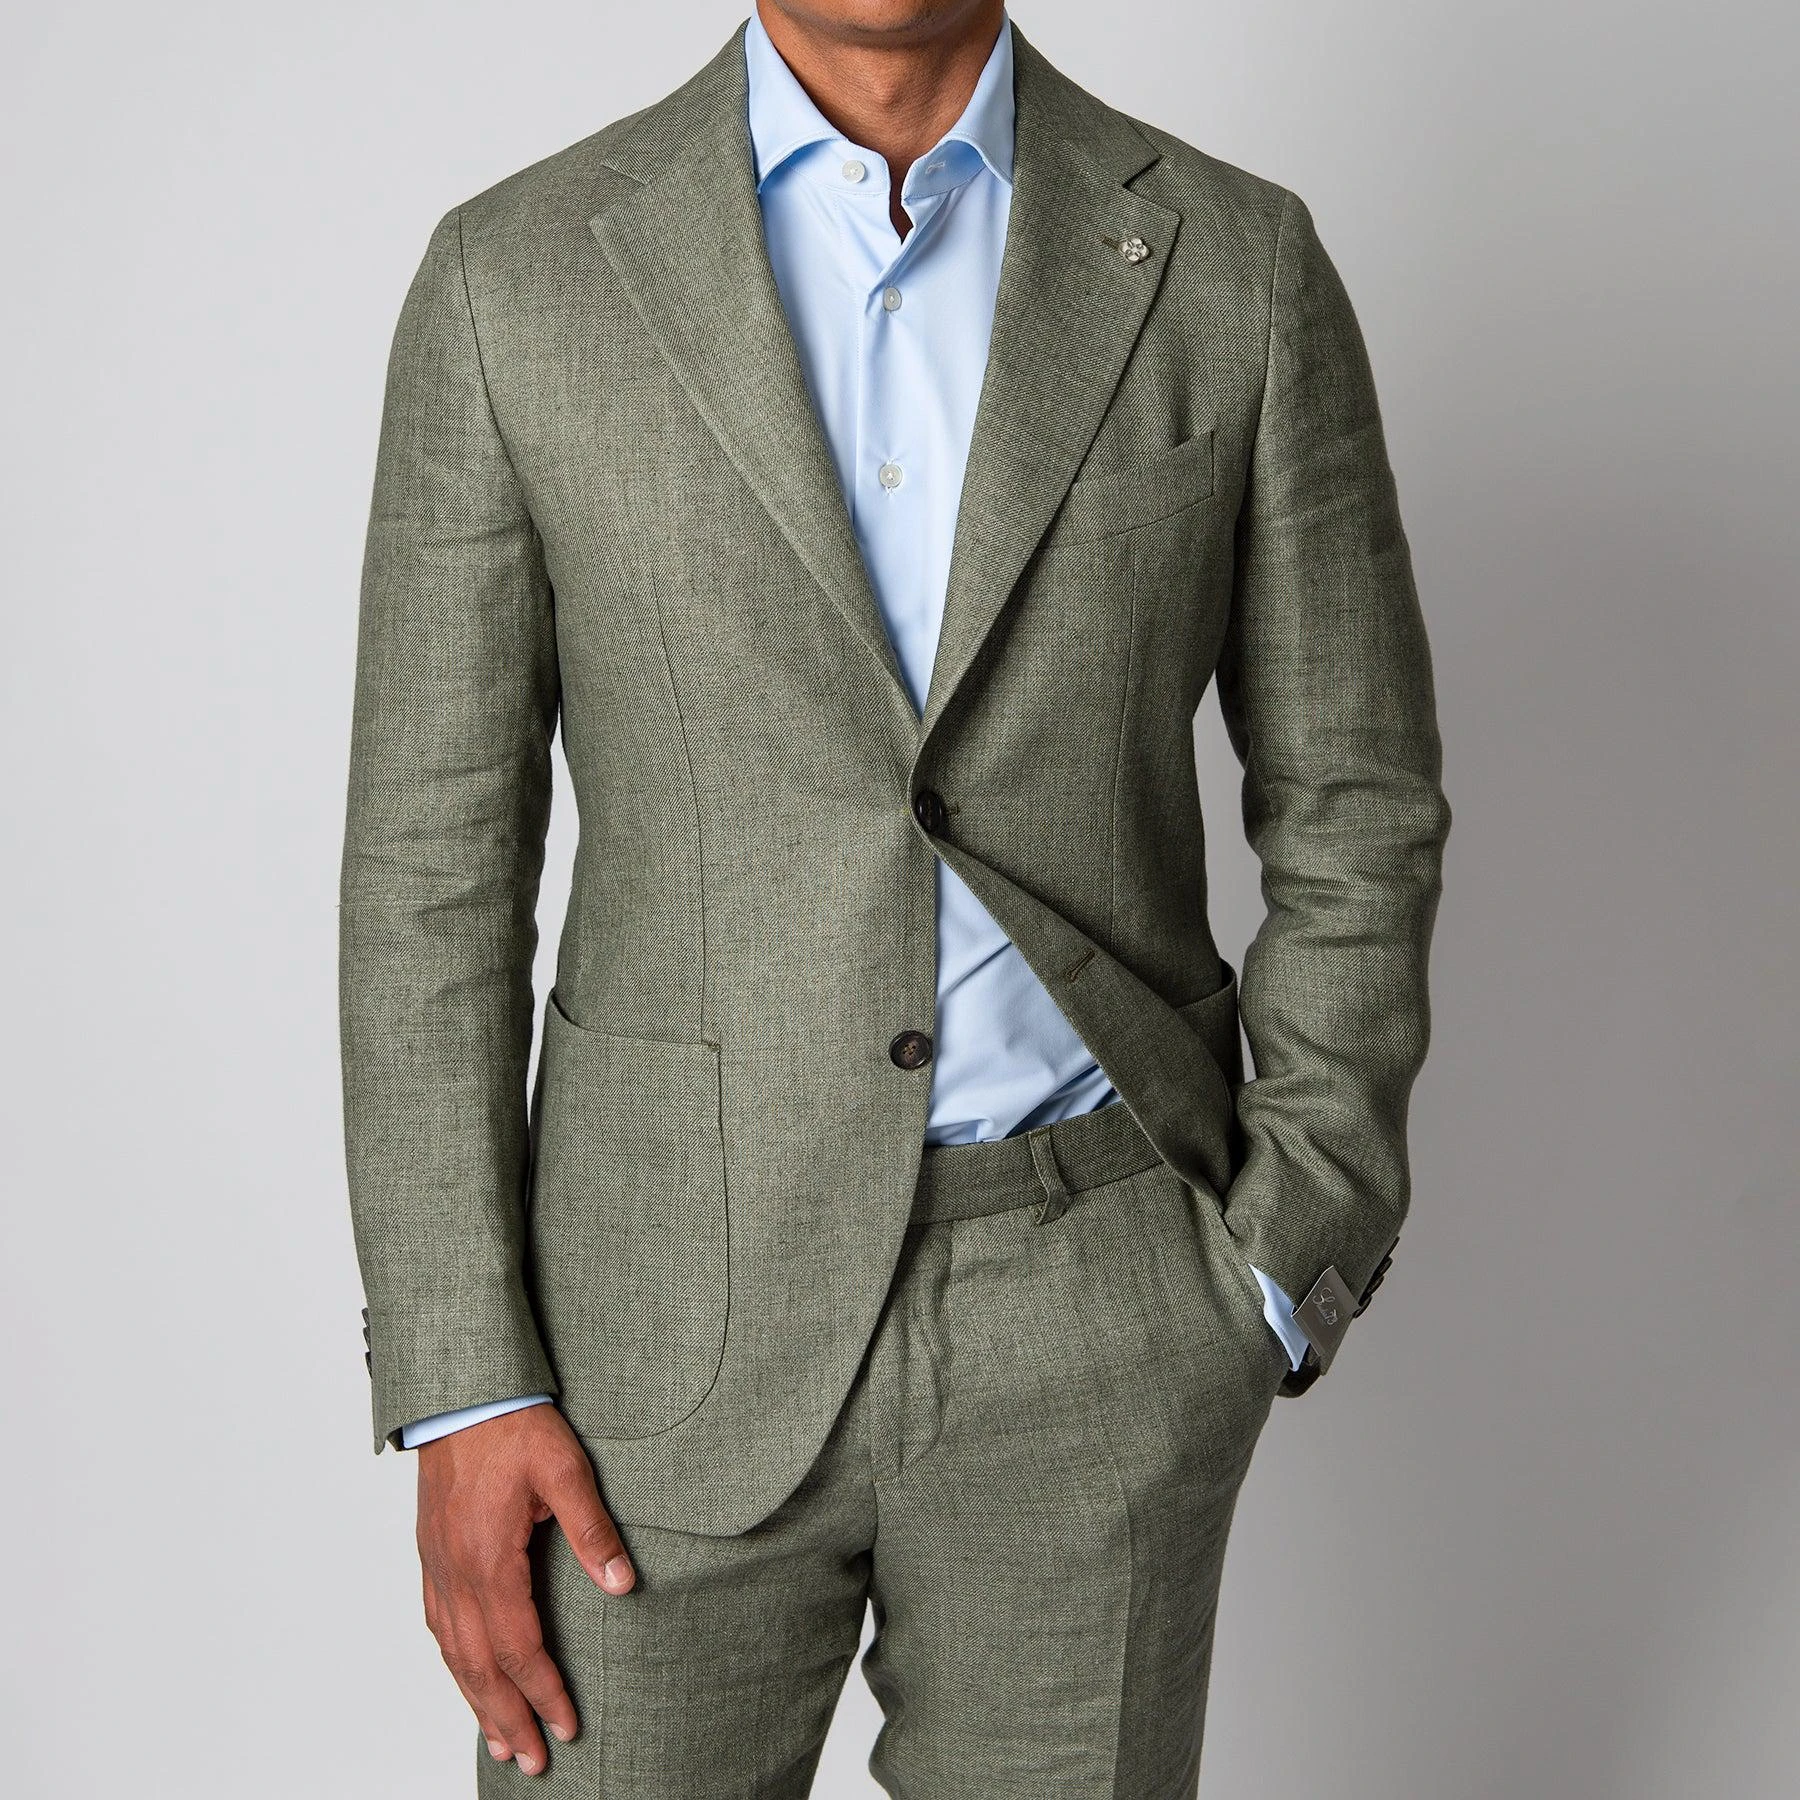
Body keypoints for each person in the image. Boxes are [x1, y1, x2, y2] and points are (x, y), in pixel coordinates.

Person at [339, 2, 1451, 1792]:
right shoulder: (515, 278)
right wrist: (466, 1377)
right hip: (640, 1350)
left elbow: (1358, 798)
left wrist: (1274, 1262)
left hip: (1097, 1316)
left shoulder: (1235, 264)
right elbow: (428, 871)